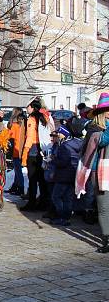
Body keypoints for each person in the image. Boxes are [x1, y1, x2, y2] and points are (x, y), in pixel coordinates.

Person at [76, 92, 109, 253]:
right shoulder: (94, 129)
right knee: (104, 206)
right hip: (100, 171)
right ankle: (107, 239)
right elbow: (100, 141)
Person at [49, 119, 85, 226]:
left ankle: (61, 216)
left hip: (63, 175)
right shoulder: (81, 144)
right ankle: (67, 218)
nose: (58, 134)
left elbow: (63, 162)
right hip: (74, 174)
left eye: (59, 132)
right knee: (68, 198)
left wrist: (53, 159)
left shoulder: (65, 145)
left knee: (56, 196)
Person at [21, 99, 54, 212]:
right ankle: (43, 202)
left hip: (34, 149)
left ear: (32, 107)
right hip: (45, 149)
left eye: (27, 107)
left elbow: (30, 137)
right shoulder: (45, 116)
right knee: (42, 178)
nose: (26, 109)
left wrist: (25, 151)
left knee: (32, 178)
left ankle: (31, 203)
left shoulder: (31, 118)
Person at [5, 108, 26, 195]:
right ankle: (15, 186)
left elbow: (9, 137)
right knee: (18, 170)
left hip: (16, 151)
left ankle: (20, 187)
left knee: (18, 171)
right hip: (21, 150)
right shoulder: (22, 125)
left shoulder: (14, 125)